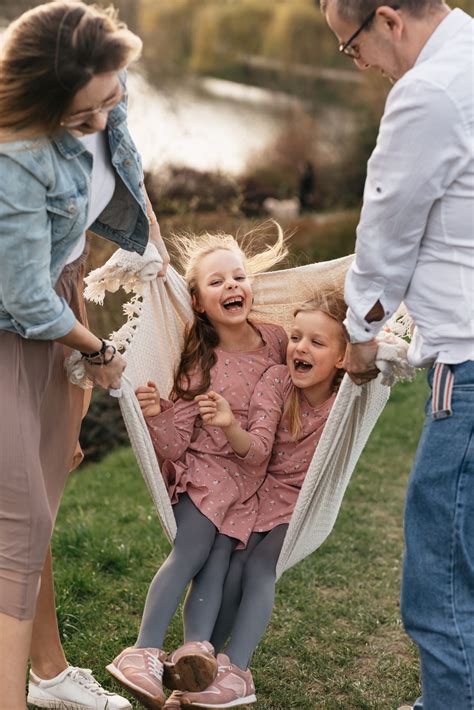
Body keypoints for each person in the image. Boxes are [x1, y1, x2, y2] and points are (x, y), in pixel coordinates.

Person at [0, 2, 170, 709]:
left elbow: (125, 177)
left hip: (68, 304)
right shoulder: (16, 160)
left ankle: (47, 677)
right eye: (81, 116)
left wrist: (158, 257)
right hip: (20, 326)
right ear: (43, 105)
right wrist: (97, 349)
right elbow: (24, 299)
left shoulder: (104, 99)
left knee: (43, 502)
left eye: (111, 98)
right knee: (18, 524)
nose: (102, 121)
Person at [321, 1, 474, 708]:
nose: (358, 64)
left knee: (440, 578)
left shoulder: (428, 91)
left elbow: (387, 228)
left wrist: (358, 333)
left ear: (388, 19)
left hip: (467, 369)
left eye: (350, 46)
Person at [106, 229, 289, 708]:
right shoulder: (198, 361)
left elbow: (295, 393)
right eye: (217, 281)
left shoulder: (276, 341)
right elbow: (173, 446)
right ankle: (143, 649)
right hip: (204, 475)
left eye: (239, 276)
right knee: (192, 550)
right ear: (199, 302)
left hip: (249, 483)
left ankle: (197, 658)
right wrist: (156, 415)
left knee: (222, 567)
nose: (232, 286)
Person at [171, 292, 346, 708]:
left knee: (260, 566)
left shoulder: (347, 399)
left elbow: (378, 369)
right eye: (297, 337)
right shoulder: (276, 380)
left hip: (303, 503)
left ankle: (239, 671)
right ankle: (201, 669)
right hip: (258, 493)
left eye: (317, 343)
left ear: (343, 358)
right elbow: (259, 445)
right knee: (229, 567)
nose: (300, 348)